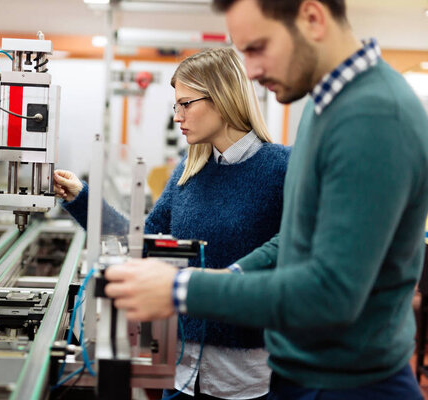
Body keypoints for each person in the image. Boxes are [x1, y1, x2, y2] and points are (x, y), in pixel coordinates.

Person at [103, 1, 428, 399]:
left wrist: (181, 290)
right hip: (305, 371)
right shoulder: (323, 105)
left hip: (350, 384)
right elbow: (292, 238)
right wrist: (230, 276)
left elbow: (332, 294)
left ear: (312, 17)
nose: (251, 71)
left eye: (258, 48)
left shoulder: (374, 116)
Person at [54, 47, 290, 400]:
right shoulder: (189, 170)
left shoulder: (282, 169)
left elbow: (293, 259)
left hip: (245, 381)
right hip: (181, 374)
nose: (177, 116)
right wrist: (80, 197)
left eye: (185, 104)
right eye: (175, 106)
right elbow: (142, 242)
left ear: (223, 98)